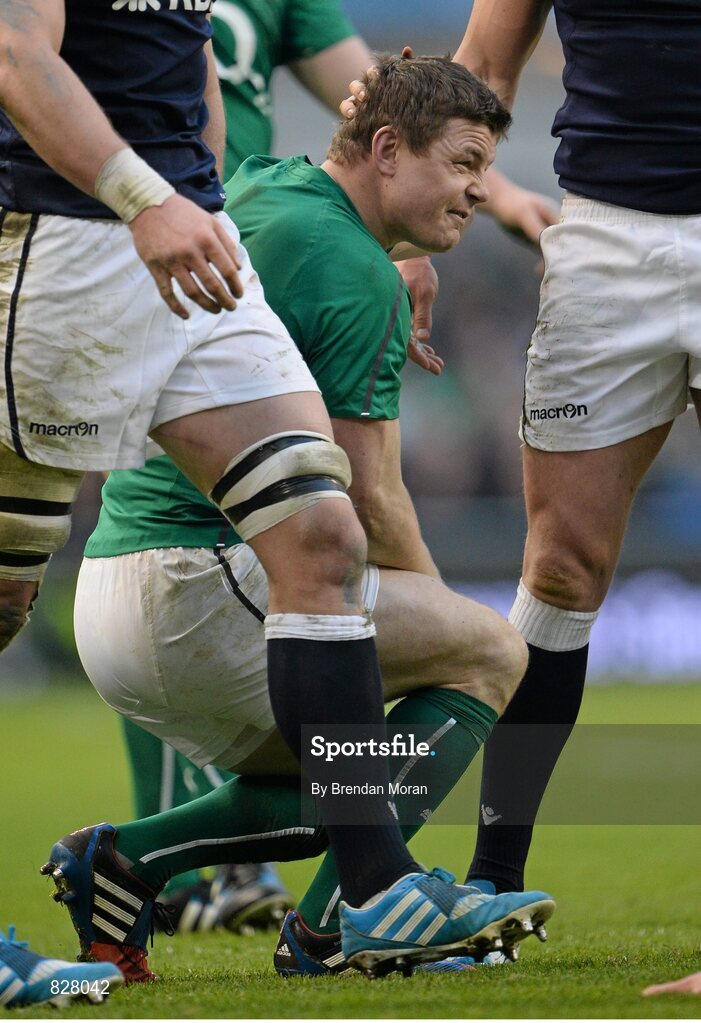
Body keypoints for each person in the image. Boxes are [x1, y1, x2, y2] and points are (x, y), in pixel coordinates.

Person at [0, 5, 534, 982]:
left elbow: (185, 52)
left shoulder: (276, 196)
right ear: (383, 150)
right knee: (476, 652)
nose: (471, 190)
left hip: (187, 236)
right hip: (71, 236)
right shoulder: (347, 264)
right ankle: (329, 910)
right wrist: (142, 191)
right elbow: (14, 47)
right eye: (459, 165)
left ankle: (368, 894)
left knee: (319, 536)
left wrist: (188, 180)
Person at [445, 1, 701, 897]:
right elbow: (484, 61)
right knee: (558, 570)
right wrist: (413, 234)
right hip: (602, 239)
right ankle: (489, 888)